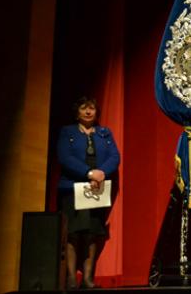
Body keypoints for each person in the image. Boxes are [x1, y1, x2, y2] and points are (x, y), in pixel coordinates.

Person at [57, 96, 120, 289]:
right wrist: (88, 173)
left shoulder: (104, 133)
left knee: (92, 233)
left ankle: (87, 278)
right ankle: (69, 278)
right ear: (77, 112)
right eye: (84, 108)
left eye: (91, 108)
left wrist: (100, 174)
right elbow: (64, 157)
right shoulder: (67, 131)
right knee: (74, 233)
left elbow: (114, 156)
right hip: (73, 187)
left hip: (97, 188)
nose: (88, 111)